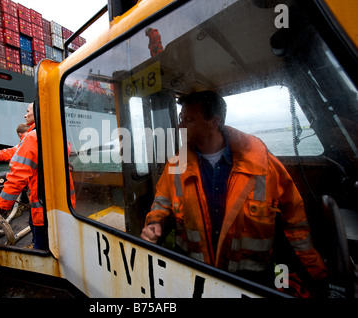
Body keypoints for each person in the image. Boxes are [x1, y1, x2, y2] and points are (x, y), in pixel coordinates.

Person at [140, 90, 328, 293]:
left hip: (252, 283)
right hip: (195, 279)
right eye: (181, 118)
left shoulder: (263, 164)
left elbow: (295, 224)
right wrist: (154, 223)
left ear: (213, 122)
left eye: (188, 119)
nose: (180, 126)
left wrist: (314, 278)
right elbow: (162, 202)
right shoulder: (176, 165)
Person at [0, 102, 76, 250]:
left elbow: (17, 175)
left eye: (28, 111)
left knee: (43, 247)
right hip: (65, 205)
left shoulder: (32, 138)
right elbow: (12, 152)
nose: (25, 115)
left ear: (38, 113)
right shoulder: (59, 135)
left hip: (43, 208)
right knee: (61, 243)